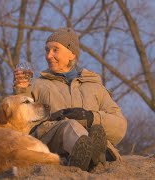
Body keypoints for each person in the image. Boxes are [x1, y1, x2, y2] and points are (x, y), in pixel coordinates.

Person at [13, 27, 127, 171]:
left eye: (55, 50)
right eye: (47, 50)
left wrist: (91, 117)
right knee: (70, 125)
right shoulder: (36, 85)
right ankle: (93, 156)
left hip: (91, 137)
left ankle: (93, 154)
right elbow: (18, 121)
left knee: (97, 129)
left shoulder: (95, 86)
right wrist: (21, 90)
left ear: (72, 54)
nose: (48, 56)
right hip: (51, 141)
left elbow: (120, 124)